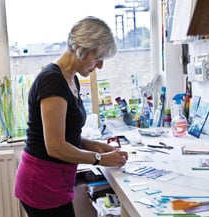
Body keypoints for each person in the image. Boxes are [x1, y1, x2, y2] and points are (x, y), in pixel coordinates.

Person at [15, 16, 129, 217]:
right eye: (98, 58)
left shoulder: (71, 79)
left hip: (56, 182)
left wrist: (94, 145)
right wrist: (99, 158)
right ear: (82, 49)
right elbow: (55, 146)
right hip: (42, 184)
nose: (100, 66)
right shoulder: (52, 81)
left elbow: (66, 133)